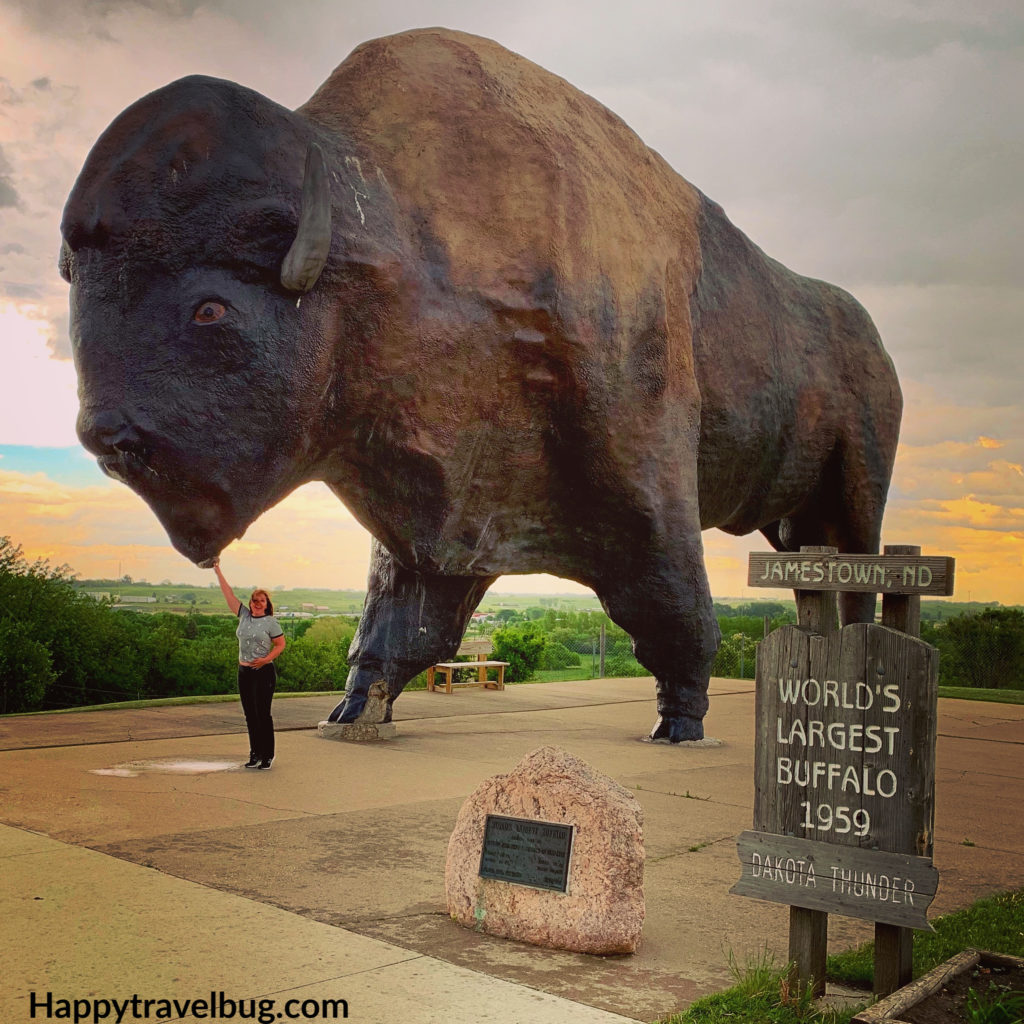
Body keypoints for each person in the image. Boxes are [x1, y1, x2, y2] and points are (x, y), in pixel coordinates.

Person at [213, 558, 285, 769]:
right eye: (254, 600)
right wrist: (218, 570)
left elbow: (280, 645)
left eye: (261, 600)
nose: (256, 603)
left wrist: (266, 659)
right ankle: (255, 753)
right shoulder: (243, 615)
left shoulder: (271, 622)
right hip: (244, 671)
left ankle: (267, 755)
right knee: (250, 714)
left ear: (266, 604)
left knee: (263, 713)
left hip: (263, 672)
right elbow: (229, 594)